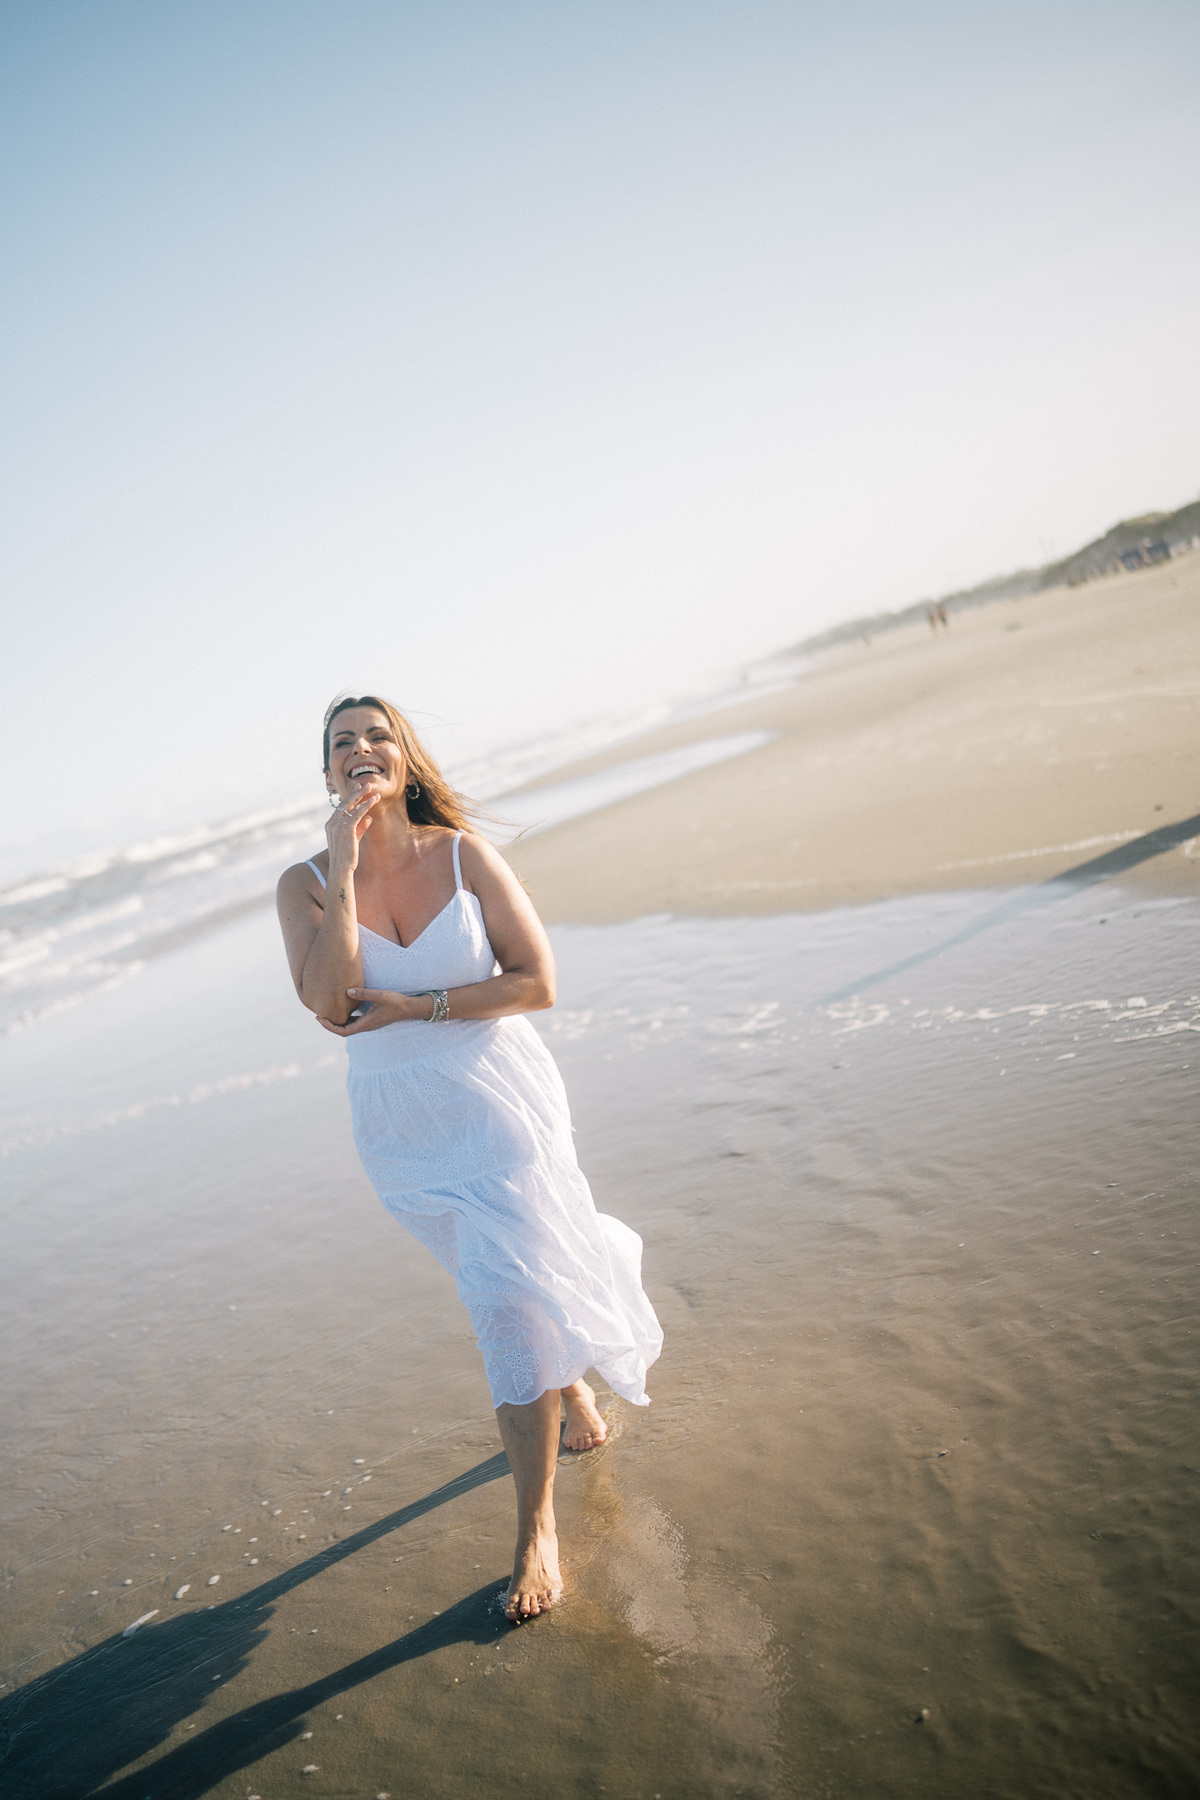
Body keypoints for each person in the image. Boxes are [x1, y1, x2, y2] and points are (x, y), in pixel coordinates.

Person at [276, 695, 663, 1623]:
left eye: (377, 737)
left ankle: (537, 1531)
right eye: (342, 744)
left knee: (500, 1295)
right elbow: (329, 1004)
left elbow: (538, 982)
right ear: (327, 775)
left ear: (404, 757)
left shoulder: (464, 855)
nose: (360, 750)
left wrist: (421, 1006)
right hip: (404, 1128)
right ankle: (565, 1377)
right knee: (504, 1276)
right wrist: (346, 857)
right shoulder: (306, 883)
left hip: (502, 1104)